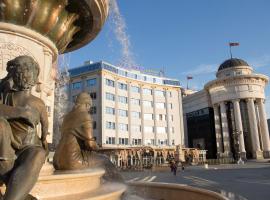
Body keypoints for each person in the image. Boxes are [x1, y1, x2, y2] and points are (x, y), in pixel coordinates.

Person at [0, 56, 49, 200]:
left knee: (38, 153)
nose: (27, 75)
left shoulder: (38, 102)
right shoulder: (4, 93)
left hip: (28, 148)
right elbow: (45, 128)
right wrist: (21, 113)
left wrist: (43, 141)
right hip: (6, 146)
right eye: (25, 70)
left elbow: (45, 127)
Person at [53, 92, 123, 182]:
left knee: (95, 160)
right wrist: (97, 147)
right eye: (89, 107)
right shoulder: (85, 116)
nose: (89, 109)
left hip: (57, 160)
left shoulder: (67, 117)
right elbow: (90, 144)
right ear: (87, 104)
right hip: (72, 161)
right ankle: (120, 188)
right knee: (104, 160)